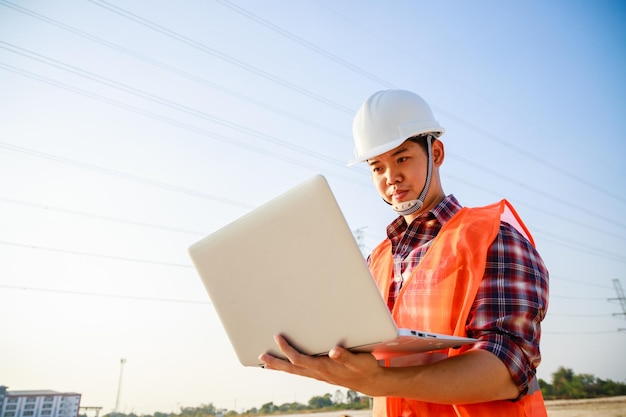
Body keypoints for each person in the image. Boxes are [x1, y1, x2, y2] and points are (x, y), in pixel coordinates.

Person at [259, 89, 549, 417]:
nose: (391, 178)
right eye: (376, 167)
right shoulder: (376, 262)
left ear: (436, 153)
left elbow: (508, 366)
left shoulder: (492, 237)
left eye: (402, 158)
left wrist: (381, 381)